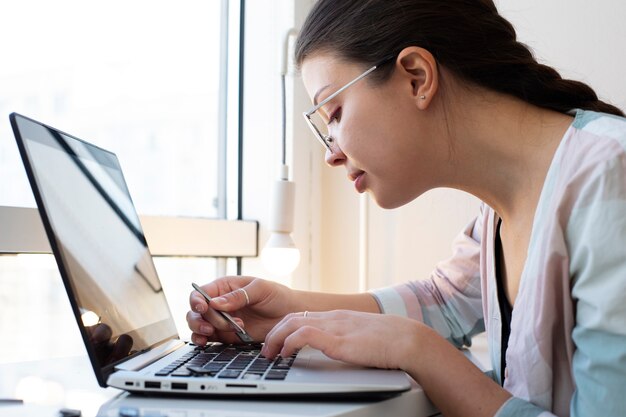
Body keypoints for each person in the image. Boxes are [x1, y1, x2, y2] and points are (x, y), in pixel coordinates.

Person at [187, 1, 626, 416]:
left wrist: (417, 349)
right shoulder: (498, 211)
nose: (331, 155)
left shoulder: (610, 179)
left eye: (334, 114)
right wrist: (289, 310)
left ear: (416, 77)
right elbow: (444, 299)